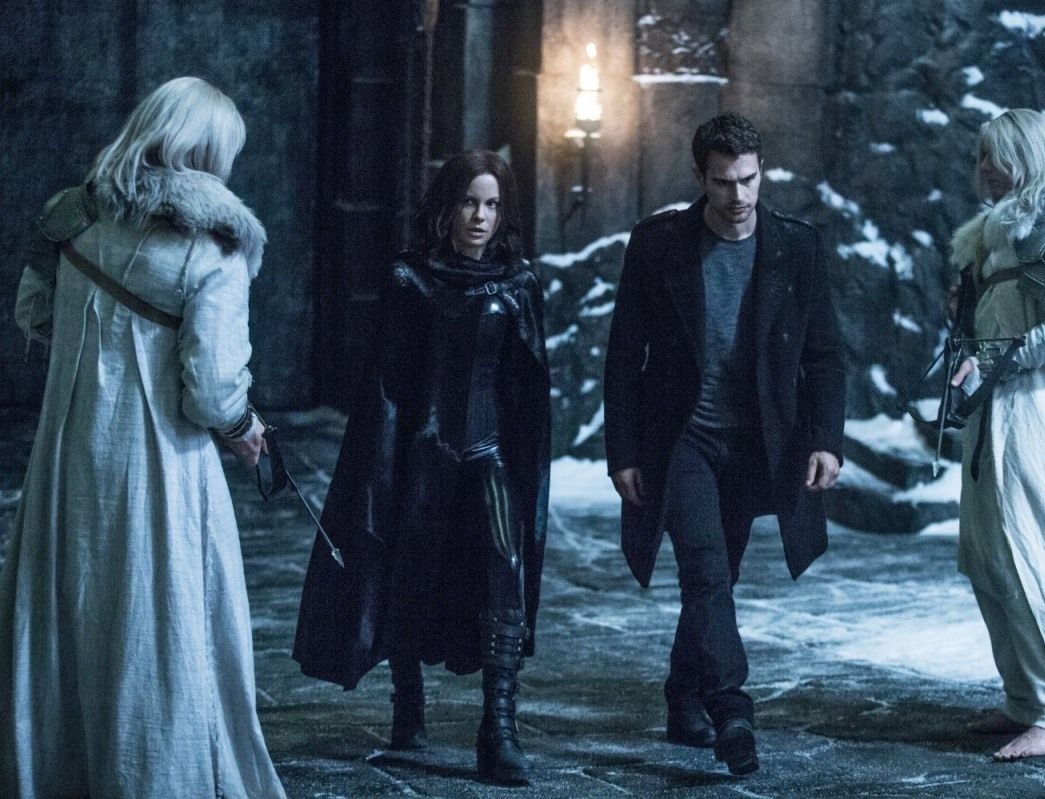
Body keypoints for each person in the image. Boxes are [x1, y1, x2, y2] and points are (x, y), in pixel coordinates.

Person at [0, 77, 286, 798]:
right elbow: (213, 387)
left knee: (68, 607)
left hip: (69, 456)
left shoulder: (72, 215)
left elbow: (32, 311)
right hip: (161, 467)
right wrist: (243, 429)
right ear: (209, 152)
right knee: (156, 616)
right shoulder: (216, 249)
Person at [293, 150, 550, 785]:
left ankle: (499, 726)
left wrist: (526, 462)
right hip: (420, 454)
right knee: (410, 570)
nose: (481, 216)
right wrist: (380, 465)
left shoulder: (518, 284)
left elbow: (527, 388)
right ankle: (407, 701)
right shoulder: (409, 279)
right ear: (447, 206)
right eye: (469, 202)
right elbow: (387, 383)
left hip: (488, 452)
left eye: (492, 205)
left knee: (505, 566)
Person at [603, 112, 846, 776]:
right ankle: (731, 709)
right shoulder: (658, 245)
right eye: (722, 182)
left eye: (748, 179)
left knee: (720, 575)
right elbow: (623, 354)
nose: (738, 196)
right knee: (705, 570)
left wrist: (825, 440)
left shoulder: (796, 247)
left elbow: (824, 355)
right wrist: (622, 450)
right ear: (699, 178)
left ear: (761, 172)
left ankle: (684, 693)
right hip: (682, 437)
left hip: (754, 444)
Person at [948, 109, 1045, 762]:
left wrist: (998, 358)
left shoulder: (1039, 229)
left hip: (1027, 409)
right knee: (984, 554)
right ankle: (1020, 697)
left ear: (1028, 157)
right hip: (989, 408)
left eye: (997, 155)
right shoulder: (990, 238)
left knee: (1021, 549)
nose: (984, 168)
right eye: (980, 155)